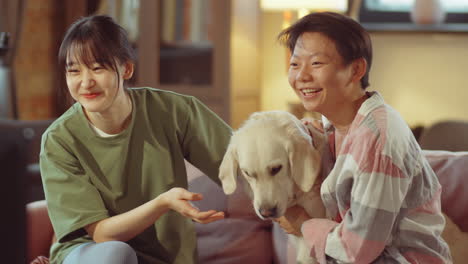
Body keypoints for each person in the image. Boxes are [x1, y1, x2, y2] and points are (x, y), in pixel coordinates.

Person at [40, 15, 231, 264]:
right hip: (92, 252)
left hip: (167, 257)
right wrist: (162, 203)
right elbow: (102, 234)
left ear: (126, 68)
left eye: (97, 68)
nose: (85, 82)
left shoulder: (173, 111)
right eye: (74, 71)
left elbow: (239, 161)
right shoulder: (59, 140)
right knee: (117, 252)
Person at [274, 12, 452, 263]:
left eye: (316, 63)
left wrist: (304, 224)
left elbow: (357, 250)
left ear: (356, 69)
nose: (301, 76)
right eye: (294, 64)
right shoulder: (335, 127)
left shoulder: (376, 140)